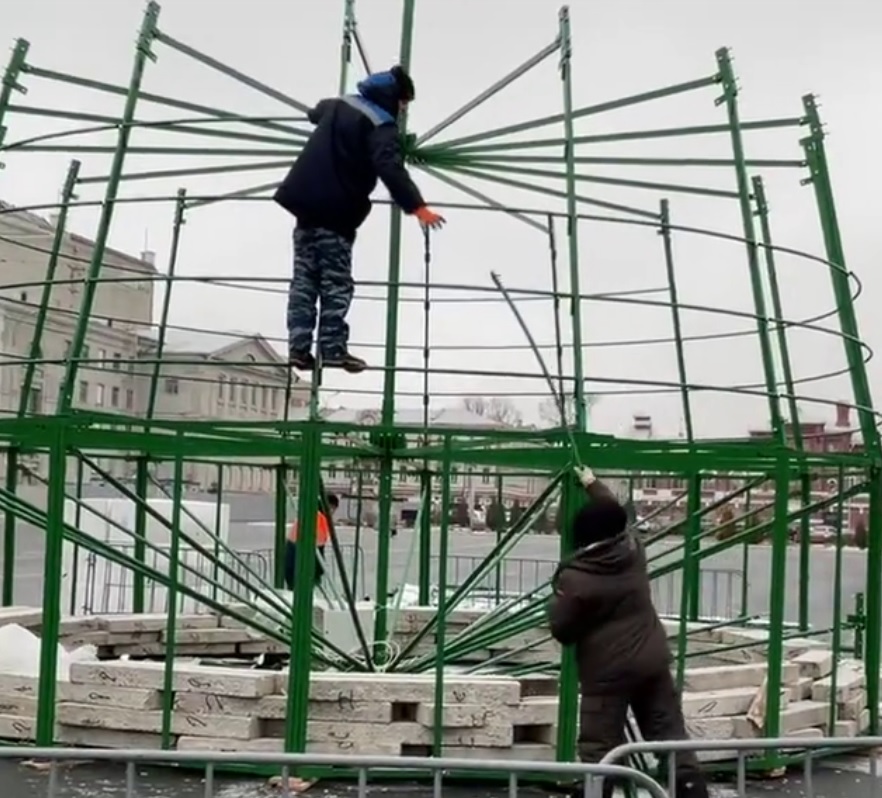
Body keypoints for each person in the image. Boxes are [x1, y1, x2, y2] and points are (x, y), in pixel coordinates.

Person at [548, 465, 709, 798]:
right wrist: (592, 483)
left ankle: (596, 791)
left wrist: (557, 603)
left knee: (600, 745)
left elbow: (562, 629)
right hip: (651, 660)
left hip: (607, 671)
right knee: (668, 733)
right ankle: (690, 788)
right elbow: (613, 513)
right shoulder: (633, 551)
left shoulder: (576, 578)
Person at [274, 65, 446, 375]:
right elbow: (389, 167)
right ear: (393, 96)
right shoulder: (381, 125)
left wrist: (318, 118)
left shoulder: (339, 104)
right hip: (337, 212)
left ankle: (298, 349)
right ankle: (332, 349)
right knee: (335, 283)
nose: (403, 109)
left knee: (304, 281)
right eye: (404, 102)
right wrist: (417, 207)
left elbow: (316, 111)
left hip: (304, 207)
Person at [284, 493, 339, 591]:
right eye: (333, 508)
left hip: (291, 554)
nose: (333, 512)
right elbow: (318, 546)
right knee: (303, 589)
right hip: (302, 559)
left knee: (293, 587)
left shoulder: (309, 512)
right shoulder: (320, 518)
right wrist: (319, 570)